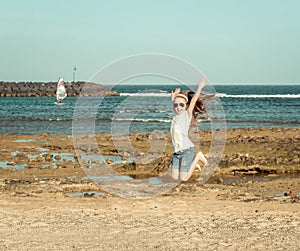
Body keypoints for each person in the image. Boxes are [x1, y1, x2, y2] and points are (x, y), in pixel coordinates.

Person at [170, 77, 208, 181]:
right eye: (176, 105)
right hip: (177, 152)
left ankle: (198, 157)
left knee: (184, 178)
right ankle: (193, 164)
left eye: (181, 105)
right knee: (173, 177)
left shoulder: (186, 115)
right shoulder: (175, 115)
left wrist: (200, 86)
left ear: (186, 105)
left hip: (186, 150)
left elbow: (194, 99)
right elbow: (175, 104)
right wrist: (173, 97)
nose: (178, 107)